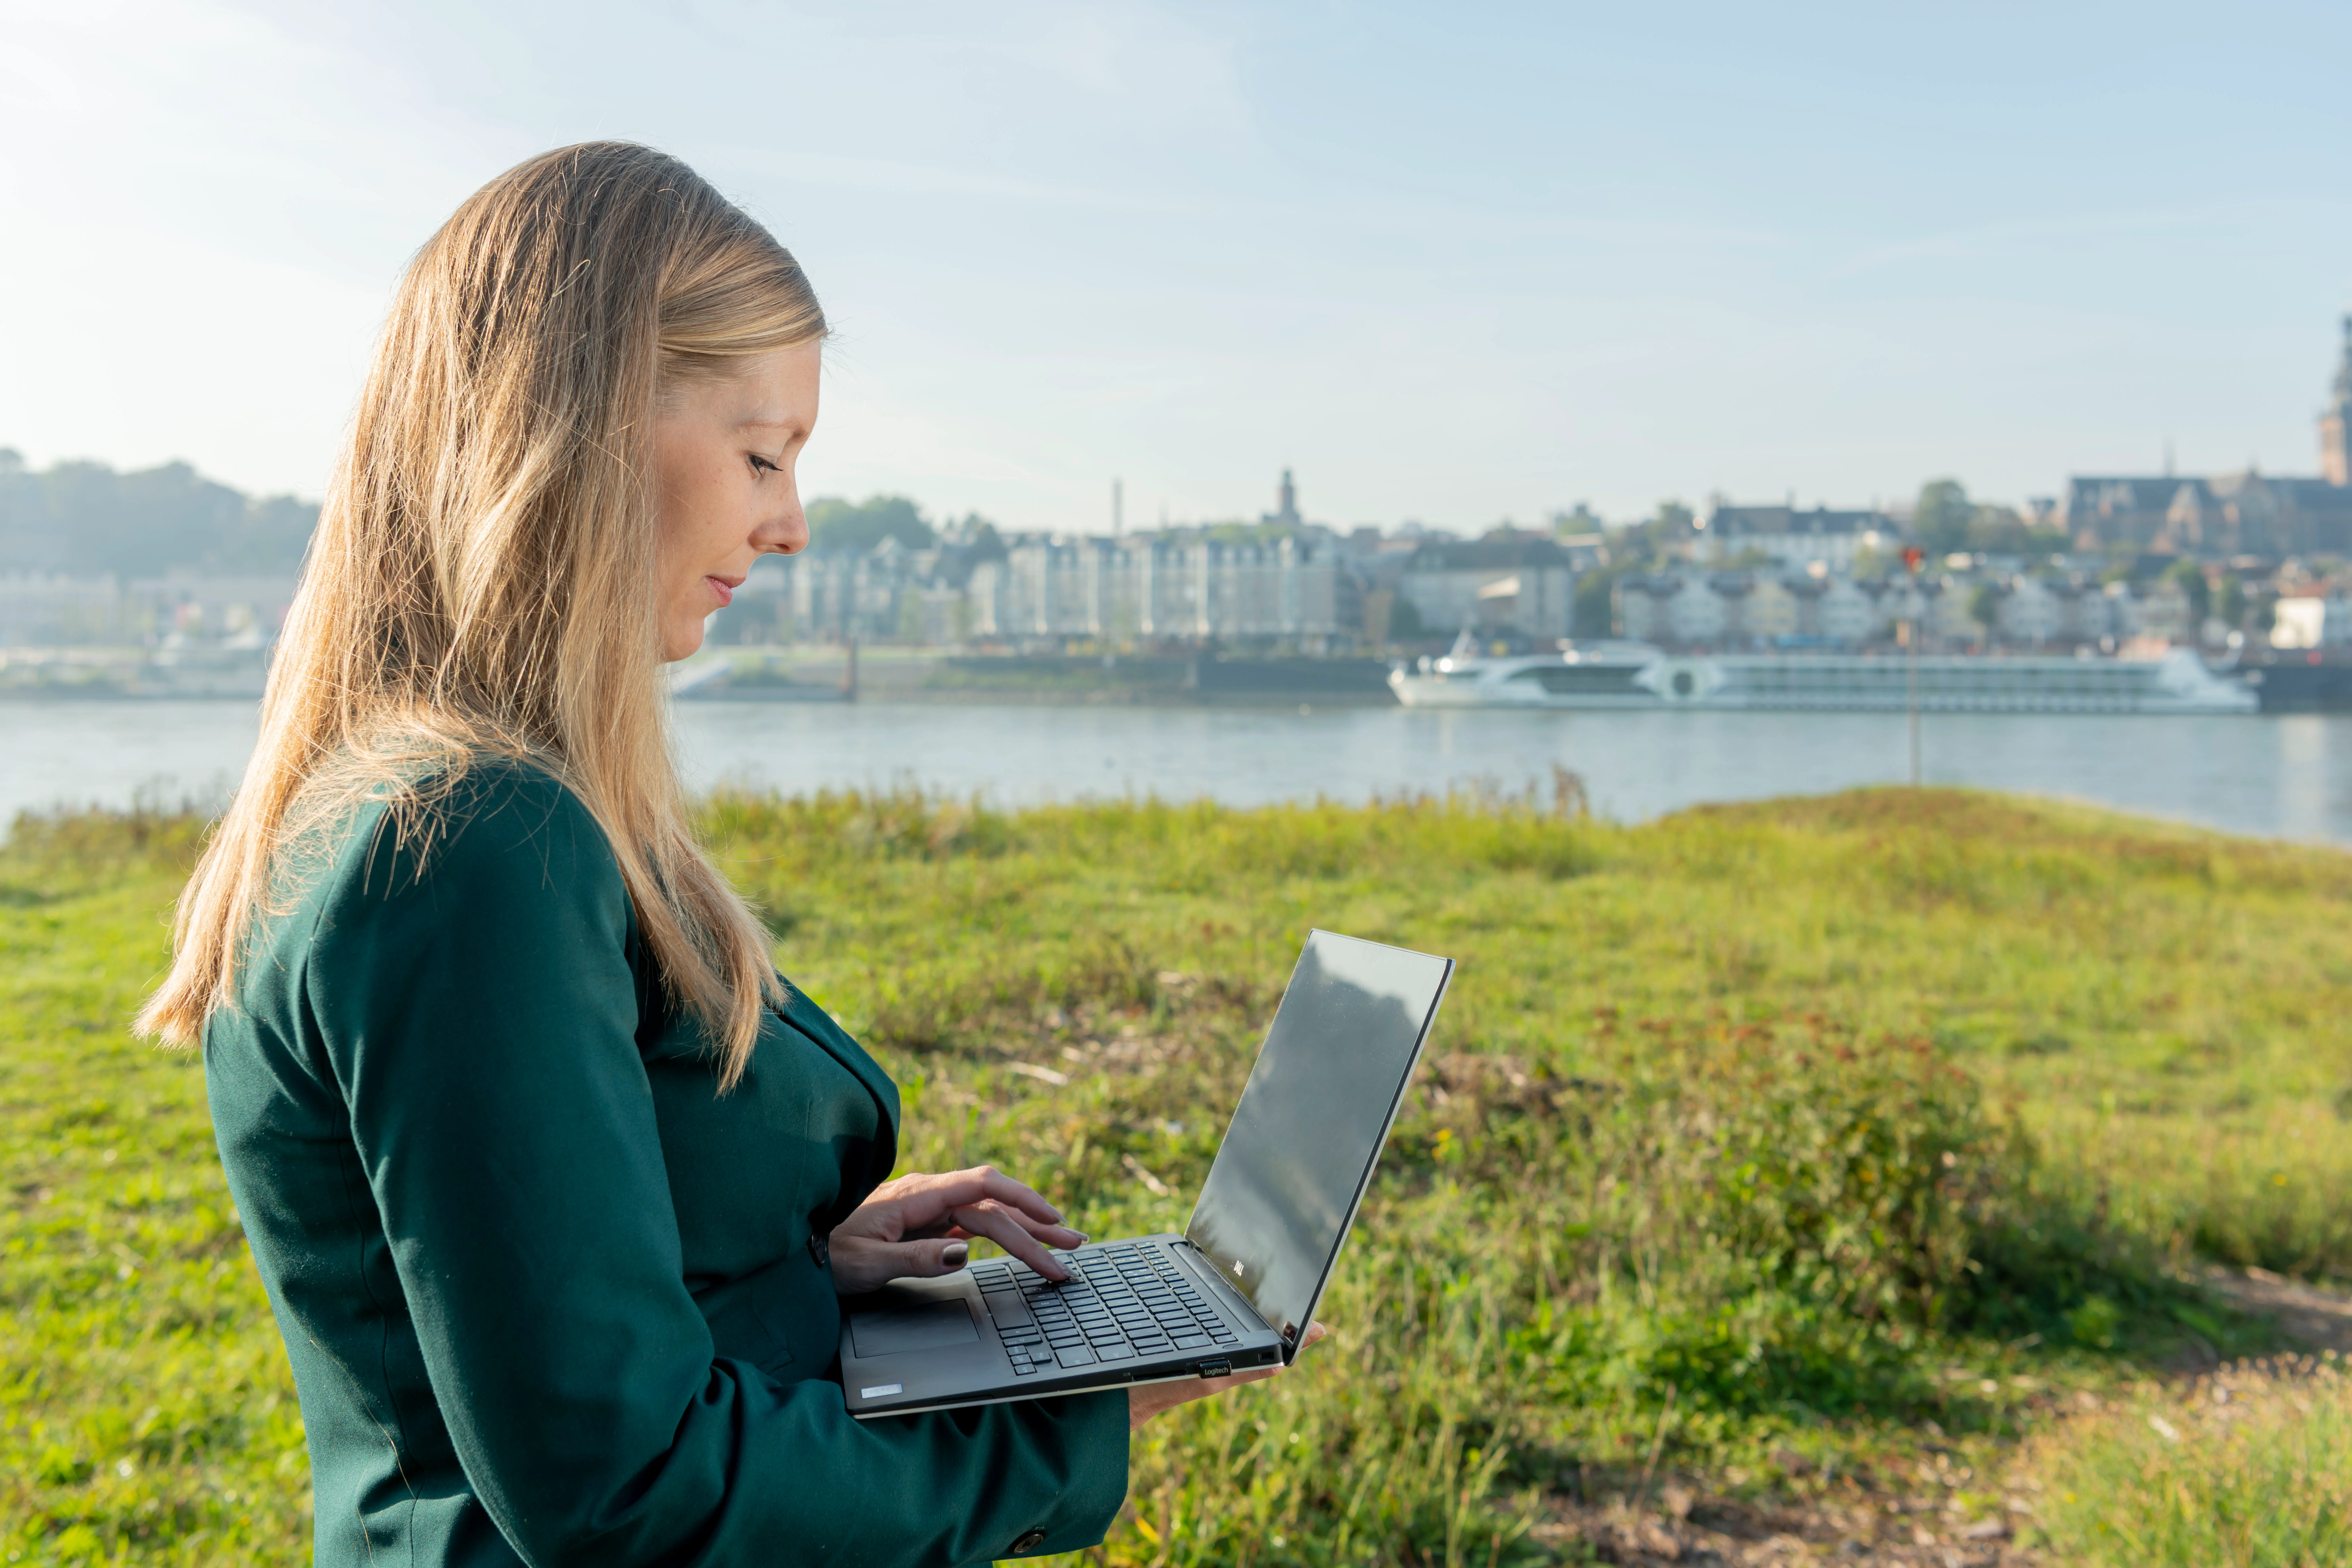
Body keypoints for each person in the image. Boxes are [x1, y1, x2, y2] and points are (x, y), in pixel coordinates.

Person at [138, 141, 1307, 1568]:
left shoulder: (418, 797)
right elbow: (624, 1488)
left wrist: (798, 1267)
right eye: (762, 454)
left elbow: (516, 1279)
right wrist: (1070, 1418)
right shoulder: (472, 845)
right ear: (570, 430)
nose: (791, 524)